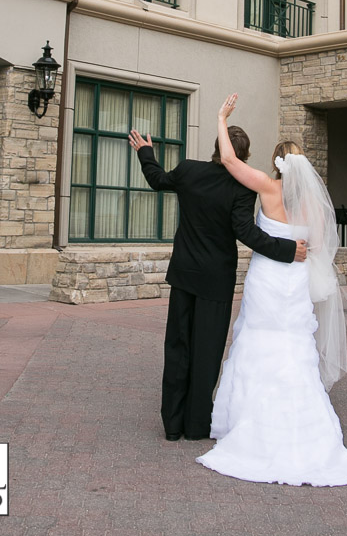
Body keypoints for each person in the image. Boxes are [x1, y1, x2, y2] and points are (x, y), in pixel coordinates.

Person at [196, 94, 347, 487]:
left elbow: (228, 159)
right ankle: (305, 428)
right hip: (294, 284)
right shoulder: (312, 206)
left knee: (256, 341)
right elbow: (319, 246)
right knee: (295, 349)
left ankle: (245, 421)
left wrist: (221, 118)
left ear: (276, 163)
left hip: (266, 280)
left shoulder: (267, 188)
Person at [128, 125, 307, 443]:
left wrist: (146, 153)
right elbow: (247, 233)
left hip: (184, 275)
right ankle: (197, 425)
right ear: (245, 156)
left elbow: (157, 180)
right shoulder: (243, 187)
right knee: (207, 352)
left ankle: (172, 425)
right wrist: (288, 250)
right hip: (216, 281)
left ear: (217, 147)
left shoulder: (188, 171)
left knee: (178, 347)